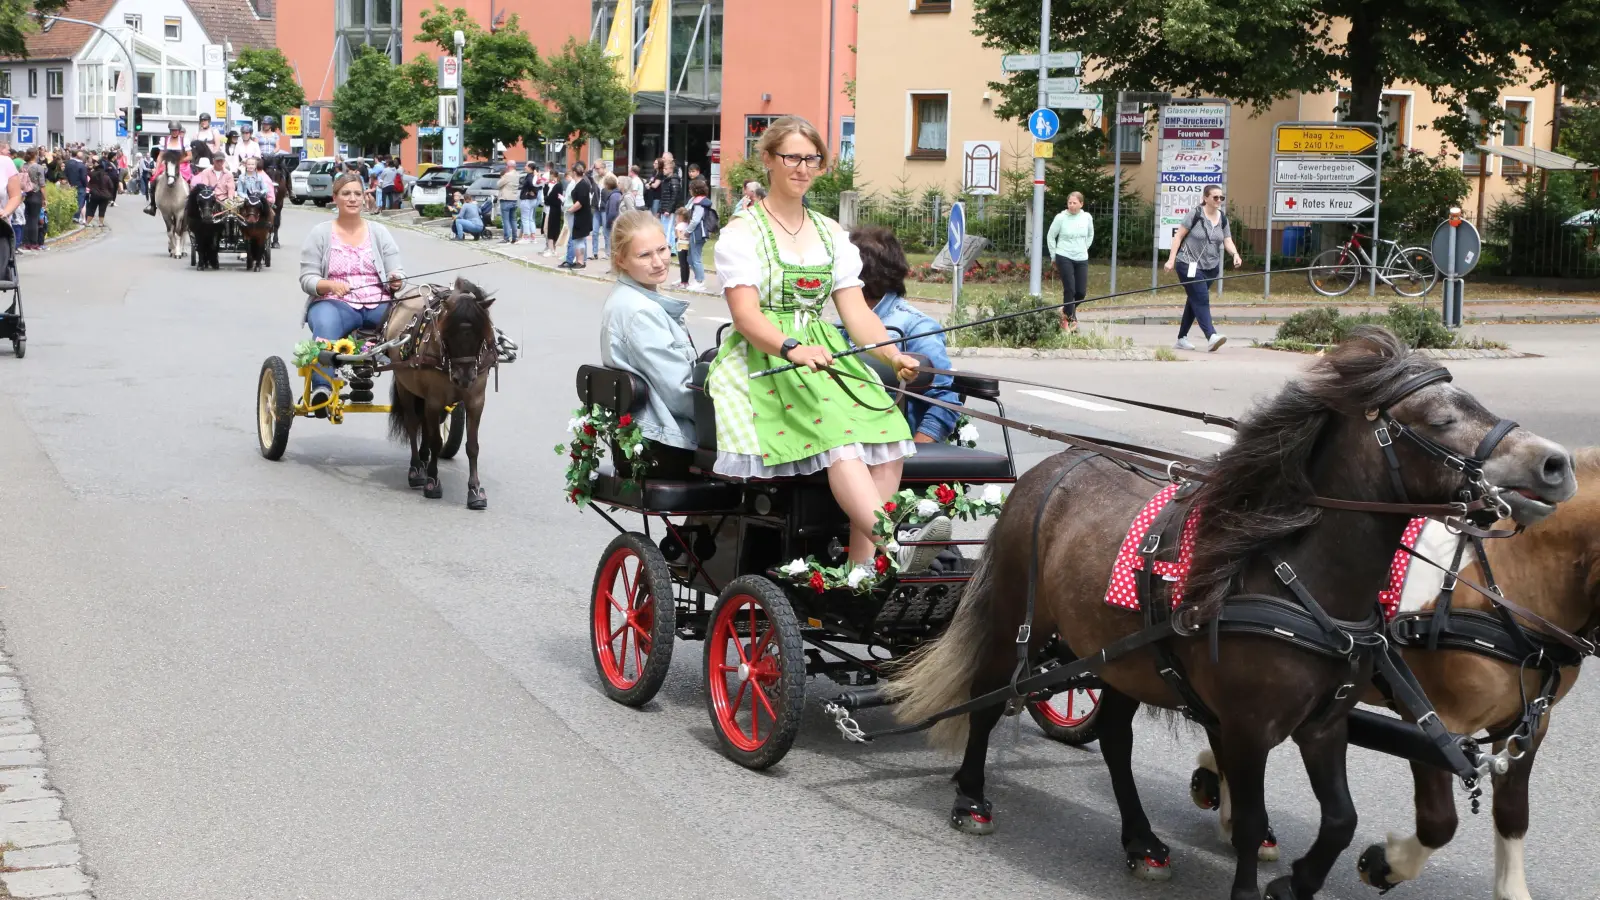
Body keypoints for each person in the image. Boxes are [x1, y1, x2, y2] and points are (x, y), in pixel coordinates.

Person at [703, 115, 928, 576]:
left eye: (812, 159)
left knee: (888, 435)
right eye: (792, 157)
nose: (803, 168)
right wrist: (791, 348)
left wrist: (891, 354)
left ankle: (864, 572)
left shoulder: (830, 233)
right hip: (766, 355)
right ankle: (895, 544)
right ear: (768, 160)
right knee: (841, 440)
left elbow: (857, 313)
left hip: (822, 351)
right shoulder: (742, 233)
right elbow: (745, 316)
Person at [599, 209, 698, 469]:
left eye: (662, 249)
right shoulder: (641, 311)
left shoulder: (629, 298)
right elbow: (680, 394)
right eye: (644, 255)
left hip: (655, 435)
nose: (658, 262)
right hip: (669, 442)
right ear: (621, 260)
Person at [298, 172, 405, 412]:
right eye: (346, 194)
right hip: (333, 302)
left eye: (358, 193)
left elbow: (397, 271)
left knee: (412, 324)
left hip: (378, 301)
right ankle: (321, 389)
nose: (353, 198)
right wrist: (329, 285)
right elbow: (307, 279)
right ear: (335, 198)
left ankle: (419, 385)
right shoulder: (320, 233)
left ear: (364, 198)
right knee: (326, 325)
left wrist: (396, 281)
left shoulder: (379, 232)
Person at [846, 226, 963, 445]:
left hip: (889, 448)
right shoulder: (839, 326)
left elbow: (946, 401)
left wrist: (913, 458)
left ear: (859, 277)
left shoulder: (916, 327)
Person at [1163, 183, 1241, 352]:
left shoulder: (1223, 218)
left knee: (1194, 299)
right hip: (1188, 263)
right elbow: (1178, 237)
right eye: (1215, 197)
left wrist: (1235, 254)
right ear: (1205, 198)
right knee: (1201, 297)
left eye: (1221, 197)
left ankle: (1181, 338)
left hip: (1211, 266)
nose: (1219, 200)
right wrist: (1171, 260)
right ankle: (1211, 336)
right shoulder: (1195, 214)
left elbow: (1227, 240)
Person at [1047, 191, 1094, 331]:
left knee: (1080, 292)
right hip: (1064, 255)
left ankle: (1065, 310)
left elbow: (1091, 234)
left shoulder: (1086, 217)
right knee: (1070, 289)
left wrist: (1085, 247)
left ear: (1081, 204)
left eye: (1075, 203)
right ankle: (1070, 319)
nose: (1072, 205)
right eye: (1069, 203)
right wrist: (1053, 256)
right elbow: (1051, 236)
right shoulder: (1061, 218)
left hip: (1081, 257)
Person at [561, 161, 593, 269]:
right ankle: (579, 260)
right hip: (579, 215)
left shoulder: (582, 185)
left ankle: (580, 261)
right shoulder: (580, 184)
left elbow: (580, 202)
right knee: (577, 239)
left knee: (579, 239)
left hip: (581, 216)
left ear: (574, 172)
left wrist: (570, 210)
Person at [685, 178, 715, 291]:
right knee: (691, 257)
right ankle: (698, 278)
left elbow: (695, 220)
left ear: (695, 190)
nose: (689, 190)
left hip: (698, 232)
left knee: (695, 257)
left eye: (691, 188)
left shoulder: (698, 203)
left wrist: (687, 231)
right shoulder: (700, 200)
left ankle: (700, 281)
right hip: (698, 232)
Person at [656, 154, 682, 250]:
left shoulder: (674, 180)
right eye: (663, 169)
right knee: (665, 228)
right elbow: (663, 197)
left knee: (669, 228)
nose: (663, 171)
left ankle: (669, 247)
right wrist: (660, 210)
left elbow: (674, 196)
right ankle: (670, 247)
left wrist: (669, 209)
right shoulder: (665, 180)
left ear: (671, 169)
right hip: (664, 208)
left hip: (669, 210)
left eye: (665, 169)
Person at [21, 149, 44, 251]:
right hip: (35, 194)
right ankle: (34, 243)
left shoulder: (23, 166)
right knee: (34, 219)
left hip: (24, 194)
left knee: (26, 218)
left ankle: (25, 242)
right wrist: (45, 198)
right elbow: (42, 184)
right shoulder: (38, 167)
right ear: (35, 155)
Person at [86, 159, 117, 227]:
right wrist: (109, 194)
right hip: (104, 195)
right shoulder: (106, 177)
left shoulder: (92, 175)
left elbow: (88, 184)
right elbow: (111, 186)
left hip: (95, 195)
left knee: (92, 209)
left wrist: (91, 191)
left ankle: (87, 222)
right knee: (102, 210)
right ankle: (101, 223)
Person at [541, 171, 564, 256]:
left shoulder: (558, 186)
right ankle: (550, 248)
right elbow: (545, 195)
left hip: (553, 210)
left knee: (550, 229)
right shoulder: (550, 185)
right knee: (548, 228)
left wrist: (546, 199)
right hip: (549, 209)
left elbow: (550, 198)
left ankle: (552, 249)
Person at [517, 163, 541, 243]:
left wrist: (532, 191)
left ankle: (526, 237)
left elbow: (532, 184)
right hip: (532, 200)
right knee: (530, 219)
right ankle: (533, 237)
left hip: (527, 199)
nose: (525, 167)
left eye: (526, 166)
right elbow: (538, 184)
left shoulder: (530, 176)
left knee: (525, 219)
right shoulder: (534, 176)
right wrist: (534, 192)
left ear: (530, 168)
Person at [496, 164, 520, 242]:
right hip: (514, 199)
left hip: (506, 199)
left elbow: (498, 184)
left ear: (508, 166)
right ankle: (515, 237)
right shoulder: (517, 174)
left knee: (505, 220)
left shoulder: (507, 175)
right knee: (513, 219)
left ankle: (506, 238)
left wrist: (502, 177)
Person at [601, 174, 623, 259]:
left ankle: (610, 256)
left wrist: (608, 223)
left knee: (612, 241)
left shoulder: (614, 195)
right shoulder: (615, 194)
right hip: (613, 221)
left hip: (612, 222)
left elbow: (613, 212)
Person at [64, 151, 87, 224]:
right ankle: (76, 217)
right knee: (79, 202)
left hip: (70, 185)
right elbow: (83, 178)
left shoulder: (68, 163)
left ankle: (71, 216)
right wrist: (85, 185)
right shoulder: (81, 165)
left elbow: (65, 174)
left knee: (71, 201)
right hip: (80, 186)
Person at [672, 207, 692, 288]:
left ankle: (683, 282)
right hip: (688, 245)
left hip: (681, 245)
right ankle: (686, 281)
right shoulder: (688, 225)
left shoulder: (679, 225)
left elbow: (678, 235)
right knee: (686, 264)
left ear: (680, 216)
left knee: (682, 264)